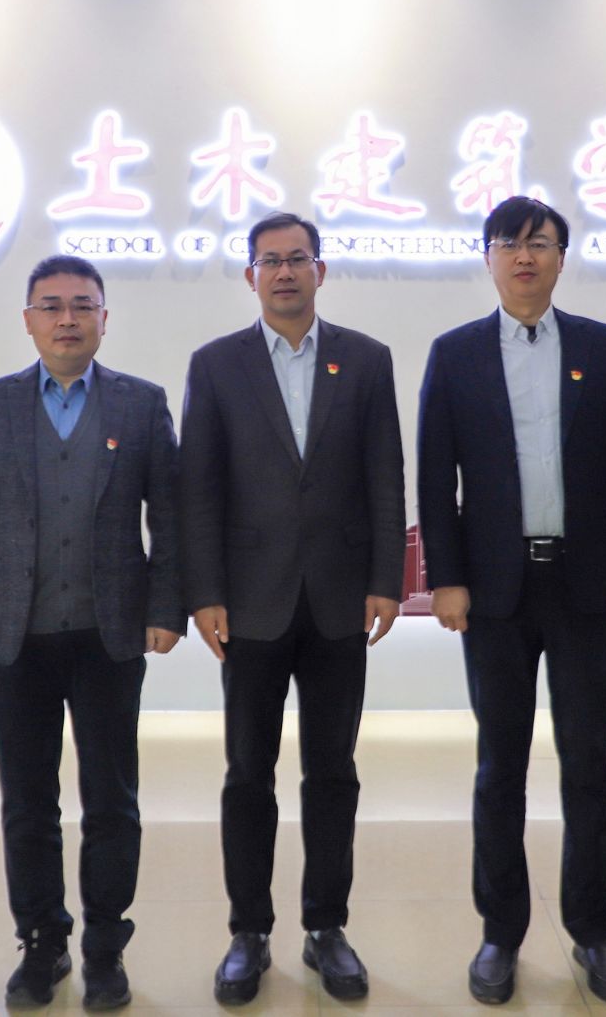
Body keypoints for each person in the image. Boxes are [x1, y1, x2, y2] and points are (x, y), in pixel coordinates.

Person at [416, 195, 606, 1005]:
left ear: (561, 255)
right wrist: (446, 577)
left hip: (585, 585)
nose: (524, 256)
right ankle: (500, 932)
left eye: (539, 242)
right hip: (494, 590)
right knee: (500, 767)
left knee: (588, 762)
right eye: (508, 243)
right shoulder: (455, 353)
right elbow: (436, 476)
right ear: (487, 257)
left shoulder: (603, 347)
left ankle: (593, 929)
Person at [0, 255, 184, 1010]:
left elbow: (170, 519)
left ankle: (106, 946)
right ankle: (43, 942)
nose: (67, 319)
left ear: (105, 318)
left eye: (83, 305)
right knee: (27, 803)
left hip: (111, 638)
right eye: (51, 306)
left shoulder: (141, 404)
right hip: (17, 636)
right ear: (28, 320)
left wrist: (165, 608)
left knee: (111, 800)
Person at [179, 211, 407, 1004]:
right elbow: (198, 487)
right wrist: (204, 592)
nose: (284, 271)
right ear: (251, 275)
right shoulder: (217, 364)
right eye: (269, 260)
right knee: (248, 771)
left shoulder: (366, 359)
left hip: (341, 598)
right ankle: (249, 930)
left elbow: (385, 476)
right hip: (250, 601)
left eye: (297, 258)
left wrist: (388, 579)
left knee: (333, 770)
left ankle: (326, 925)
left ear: (321, 270)